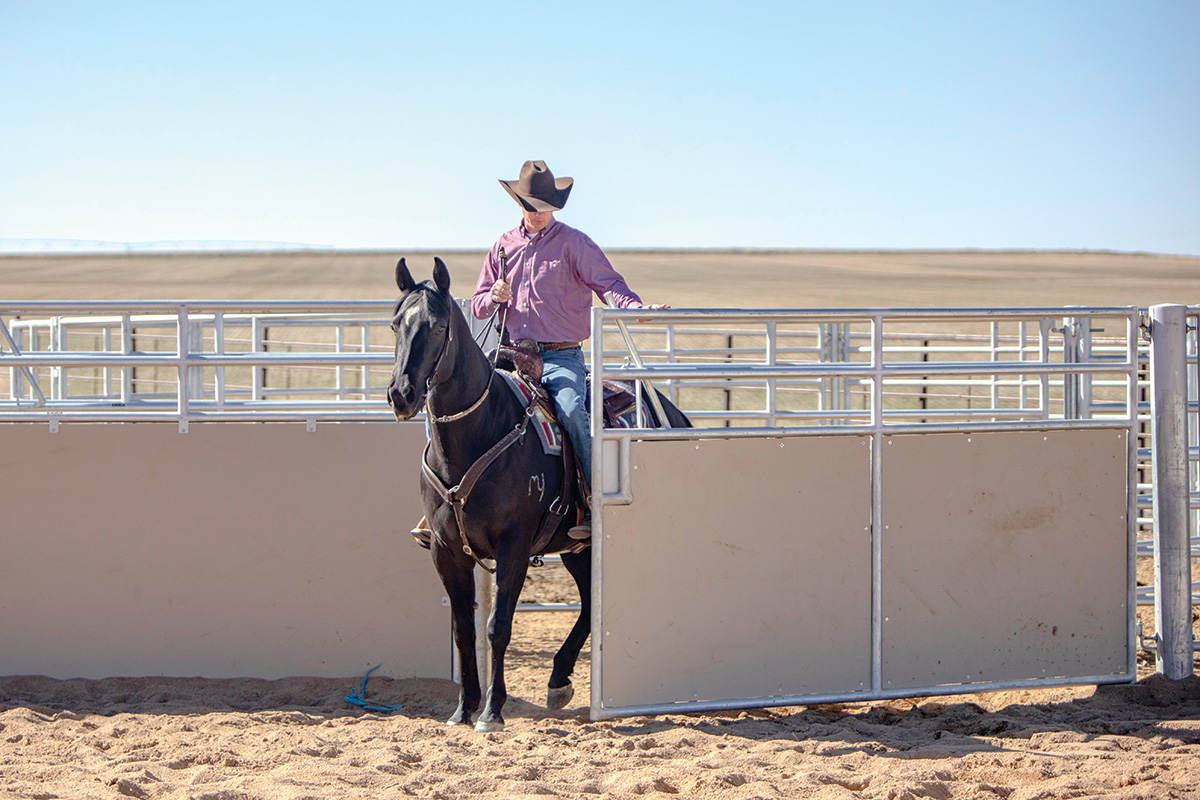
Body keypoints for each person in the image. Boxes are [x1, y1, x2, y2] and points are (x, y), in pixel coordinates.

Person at [471, 159, 667, 540]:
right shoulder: (502, 246)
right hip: (510, 355)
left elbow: (608, 284)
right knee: (462, 402)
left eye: (546, 207)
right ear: (519, 204)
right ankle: (449, 502)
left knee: (573, 410)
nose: (539, 214)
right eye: (532, 206)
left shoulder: (575, 243)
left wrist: (635, 309)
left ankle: (592, 498)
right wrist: (492, 295)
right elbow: (478, 303)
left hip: (560, 356)